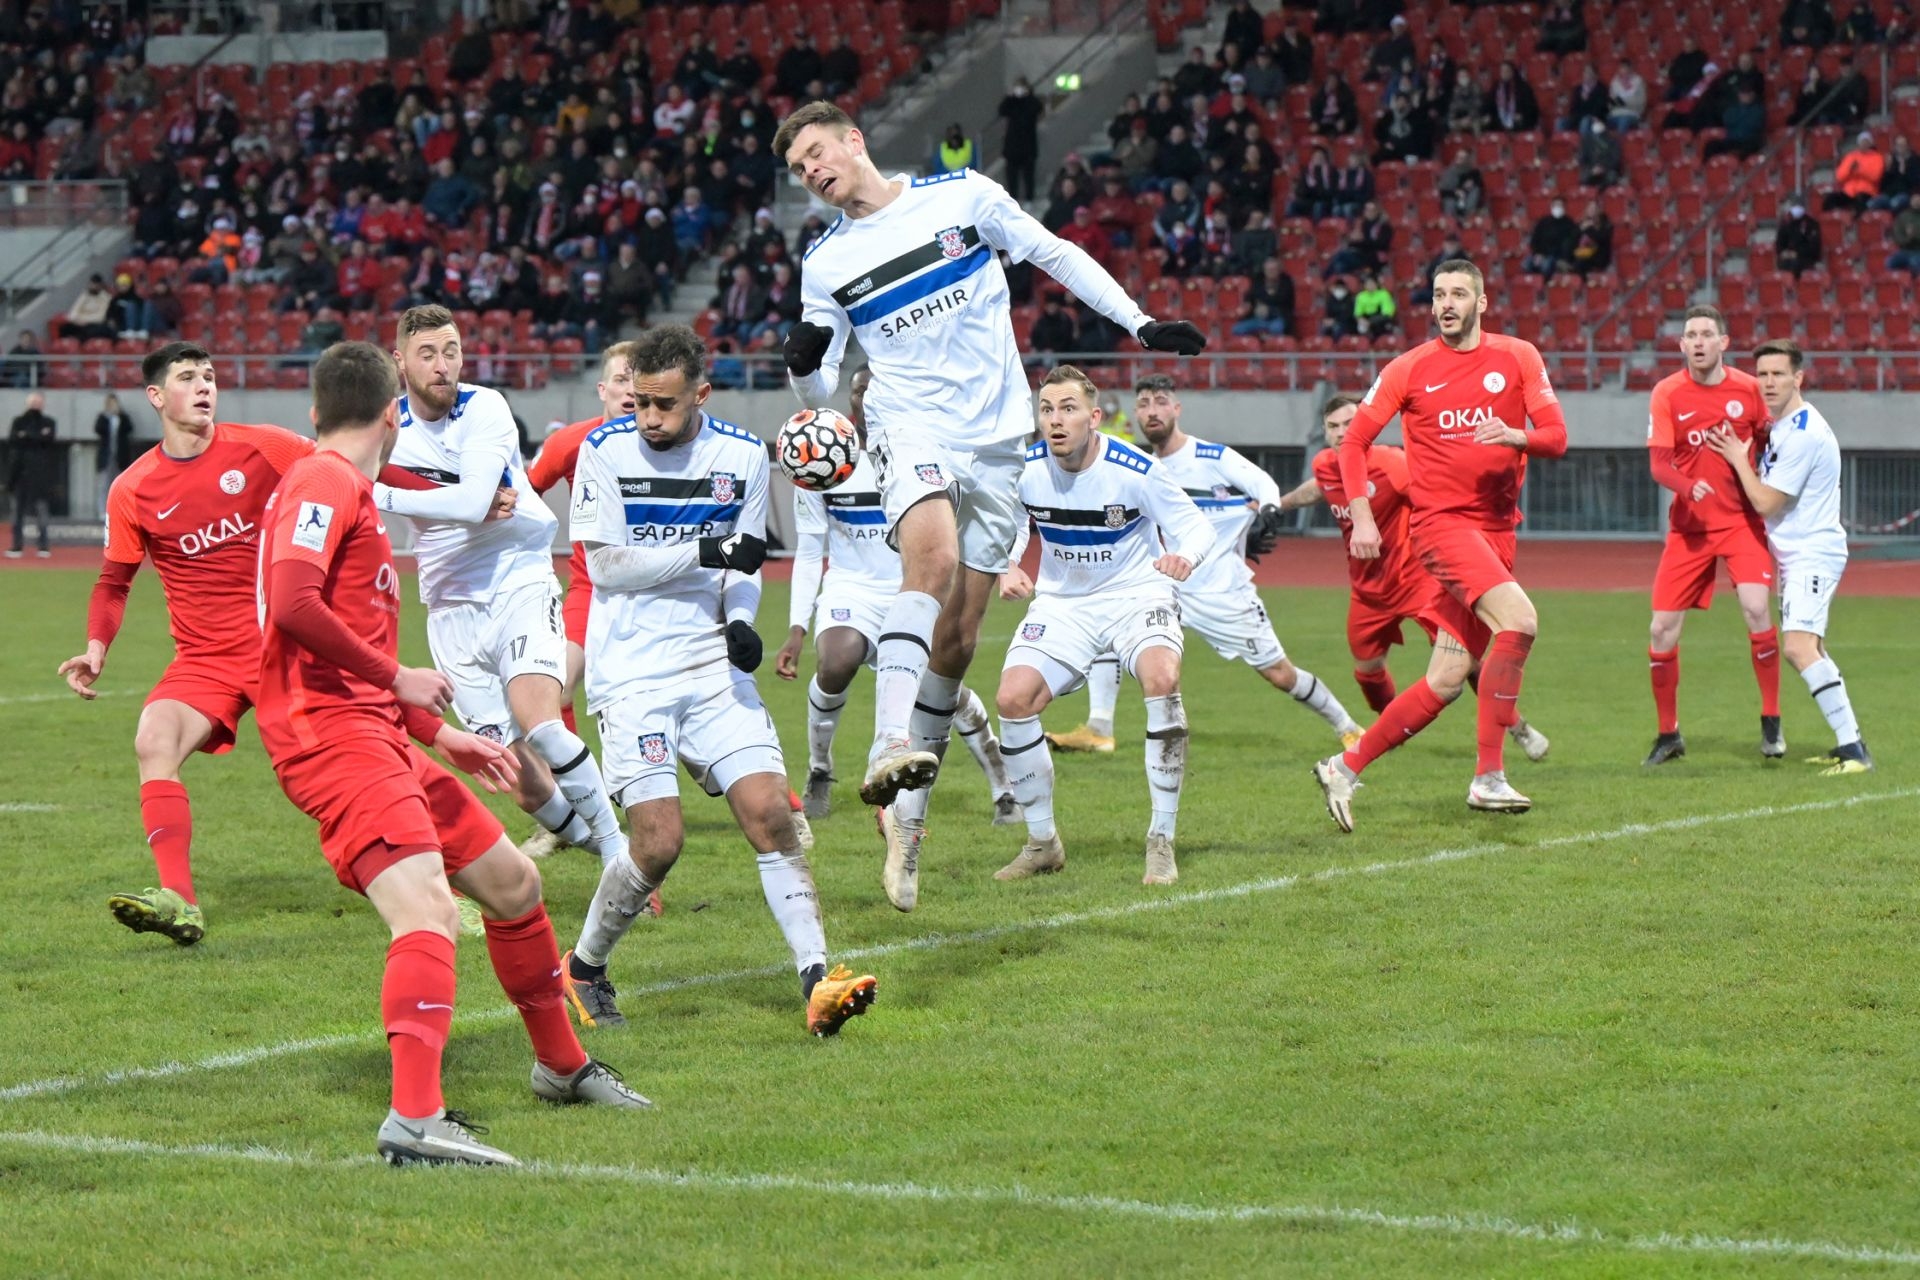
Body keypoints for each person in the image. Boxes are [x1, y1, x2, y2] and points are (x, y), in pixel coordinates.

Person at [256, 341, 648, 1168]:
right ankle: (413, 1119)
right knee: (429, 915)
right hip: (332, 742)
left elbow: (341, 648)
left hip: (375, 734)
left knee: (514, 884)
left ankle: (561, 1067)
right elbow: (291, 603)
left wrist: (442, 735)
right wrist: (396, 674)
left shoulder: (343, 484)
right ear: (392, 411)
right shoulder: (325, 481)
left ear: (318, 410)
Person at [773, 100, 1204, 825]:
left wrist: (1140, 322)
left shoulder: (963, 197)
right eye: (797, 168)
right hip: (909, 427)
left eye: (816, 153)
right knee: (932, 559)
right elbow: (818, 399)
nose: (810, 172)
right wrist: (801, 369)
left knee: (959, 637)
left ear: (854, 140)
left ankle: (909, 821)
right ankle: (888, 741)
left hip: (999, 439)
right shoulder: (825, 264)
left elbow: (1055, 253)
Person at [56, 342, 483, 944]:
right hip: (206, 657)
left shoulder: (265, 446)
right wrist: (97, 646)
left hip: (284, 642)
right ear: (156, 396)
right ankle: (179, 900)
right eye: (187, 377)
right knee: (154, 739)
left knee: (375, 750)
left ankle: (447, 888)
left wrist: (460, 499)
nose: (204, 386)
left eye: (209, 375)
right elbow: (113, 580)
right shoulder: (133, 488)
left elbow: (356, 460)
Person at [557, 325, 878, 1035]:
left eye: (664, 405)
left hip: (709, 664)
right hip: (632, 669)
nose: (647, 417)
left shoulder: (742, 456)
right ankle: (583, 968)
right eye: (640, 402)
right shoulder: (604, 450)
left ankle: (817, 981)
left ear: (700, 394)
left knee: (771, 815)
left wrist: (739, 618)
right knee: (659, 842)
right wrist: (707, 551)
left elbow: (745, 561)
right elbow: (606, 566)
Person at [1310, 259, 1569, 831]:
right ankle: (1488, 777)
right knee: (1520, 621)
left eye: (1458, 294)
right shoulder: (1408, 368)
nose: (1446, 304)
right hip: (1442, 527)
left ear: (1482, 302)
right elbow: (1353, 442)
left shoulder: (1519, 356)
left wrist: (1516, 435)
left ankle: (1343, 768)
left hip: (1498, 531)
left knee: (1449, 678)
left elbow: (1556, 437)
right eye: (1438, 295)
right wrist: (1363, 517)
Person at [372, 307, 629, 881]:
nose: (443, 366)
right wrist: (391, 489)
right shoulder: (386, 423)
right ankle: (607, 850)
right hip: (449, 603)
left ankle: (620, 859)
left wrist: (381, 492)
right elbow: (349, 469)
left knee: (541, 723)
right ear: (400, 362)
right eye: (427, 354)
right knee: (509, 767)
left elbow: (471, 503)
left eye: (451, 351)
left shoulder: (483, 406)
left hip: (517, 576)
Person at [774, 369, 1020, 909]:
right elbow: (811, 547)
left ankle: (1003, 784)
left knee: (944, 690)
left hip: (911, 585)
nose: (866, 400)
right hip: (851, 587)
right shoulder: (823, 454)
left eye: (873, 391)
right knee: (835, 661)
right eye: (858, 393)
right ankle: (820, 771)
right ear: (851, 403)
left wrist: (1004, 564)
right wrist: (796, 627)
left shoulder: (928, 453)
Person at [993, 366, 1214, 886]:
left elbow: (1196, 526)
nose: (1055, 420)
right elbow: (1008, 523)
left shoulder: (1134, 469)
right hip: (1063, 603)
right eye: (1047, 409)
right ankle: (1042, 843)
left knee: (1162, 678)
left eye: (1068, 409)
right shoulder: (1025, 468)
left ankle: (1161, 840)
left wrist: (1184, 557)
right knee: (1013, 700)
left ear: (1093, 418)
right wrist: (1007, 564)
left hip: (1136, 594)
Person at [1275, 394, 1551, 765]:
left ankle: (1516, 726)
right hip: (1368, 593)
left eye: (1350, 424)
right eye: (1333, 426)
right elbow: (1317, 489)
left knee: (1466, 661)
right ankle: (1395, 728)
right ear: (1324, 433)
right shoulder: (1326, 466)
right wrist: (1278, 504)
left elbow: (1435, 494)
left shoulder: (1391, 463)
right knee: (1367, 673)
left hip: (1418, 583)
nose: (1342, 433)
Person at [1122, 374, 1364, 748]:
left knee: (1281, 674)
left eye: (1160, 402)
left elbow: (1264, 485)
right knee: (1114, 639)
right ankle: (1100, 728)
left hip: (1223, 594)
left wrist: (1267, 513)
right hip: (1167, 590)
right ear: (1136, 413)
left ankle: (1348, 727)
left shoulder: (1211, 457)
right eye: (1143, 404)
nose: (1152, 411)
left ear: (1176, 408)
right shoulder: (1145, 469)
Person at [1706, 339, 1872, 775]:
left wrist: (1737, 458)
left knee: (1798, 648)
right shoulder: (1785, 424)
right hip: (1802, 554)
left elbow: (1766, 502)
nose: (1768, 382)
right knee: (1812, 647)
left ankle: (1854, 749)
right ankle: (1851, 744)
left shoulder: (1802, 434)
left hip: (1811, 554)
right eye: (1762, 374)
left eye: (1778, 374)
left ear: (1798, 378)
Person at [1641, 306, 1780, 765]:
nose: (1698, 342)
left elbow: (1772, 443)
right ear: (1682, 345)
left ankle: (1771, 720)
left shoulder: (1749, 389)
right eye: (1691, 335)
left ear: (1723, 342)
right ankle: (1668, 734)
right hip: (1690, 529)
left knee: (1756, 608)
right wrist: (1687, 486)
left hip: (1741, 522)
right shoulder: (1667, 392)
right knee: (1661, 629)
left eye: (1706, 334)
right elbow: (1659, 464)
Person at [8, 392, 57, 558]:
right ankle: (16, 546)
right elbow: (13, 440)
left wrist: (26, 435)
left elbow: (48, 440)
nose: (35, 404)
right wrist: (37, 436)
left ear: (43, 404)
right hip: (20, 474)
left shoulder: (49, 422)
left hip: (40, 476)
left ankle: (43, 546)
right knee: (17, 513)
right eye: (33, 401)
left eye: (38, 401)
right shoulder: (18, 421)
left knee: (42, 511)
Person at [998, 78, 1043, 202]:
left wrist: (1028, 96)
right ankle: (1013, 198)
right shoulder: (1012, 102)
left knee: (1029, 176)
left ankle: (1029, 198)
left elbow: (1038, 108)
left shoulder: (1031, 102)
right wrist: (1010, 97)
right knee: (1011, 177)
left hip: (1028, 146)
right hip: (1012, 147)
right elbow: (1002, 111)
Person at [93, 392, 134, 516]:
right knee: (103, 485)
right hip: (106, 457)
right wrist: (108, 419)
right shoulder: (102, 417)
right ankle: (102, 511)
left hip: (120, 457)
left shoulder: (123, 417)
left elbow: (129, 428)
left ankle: (119, 511)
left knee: (120, 485)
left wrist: (119, 417)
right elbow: (98, 429)